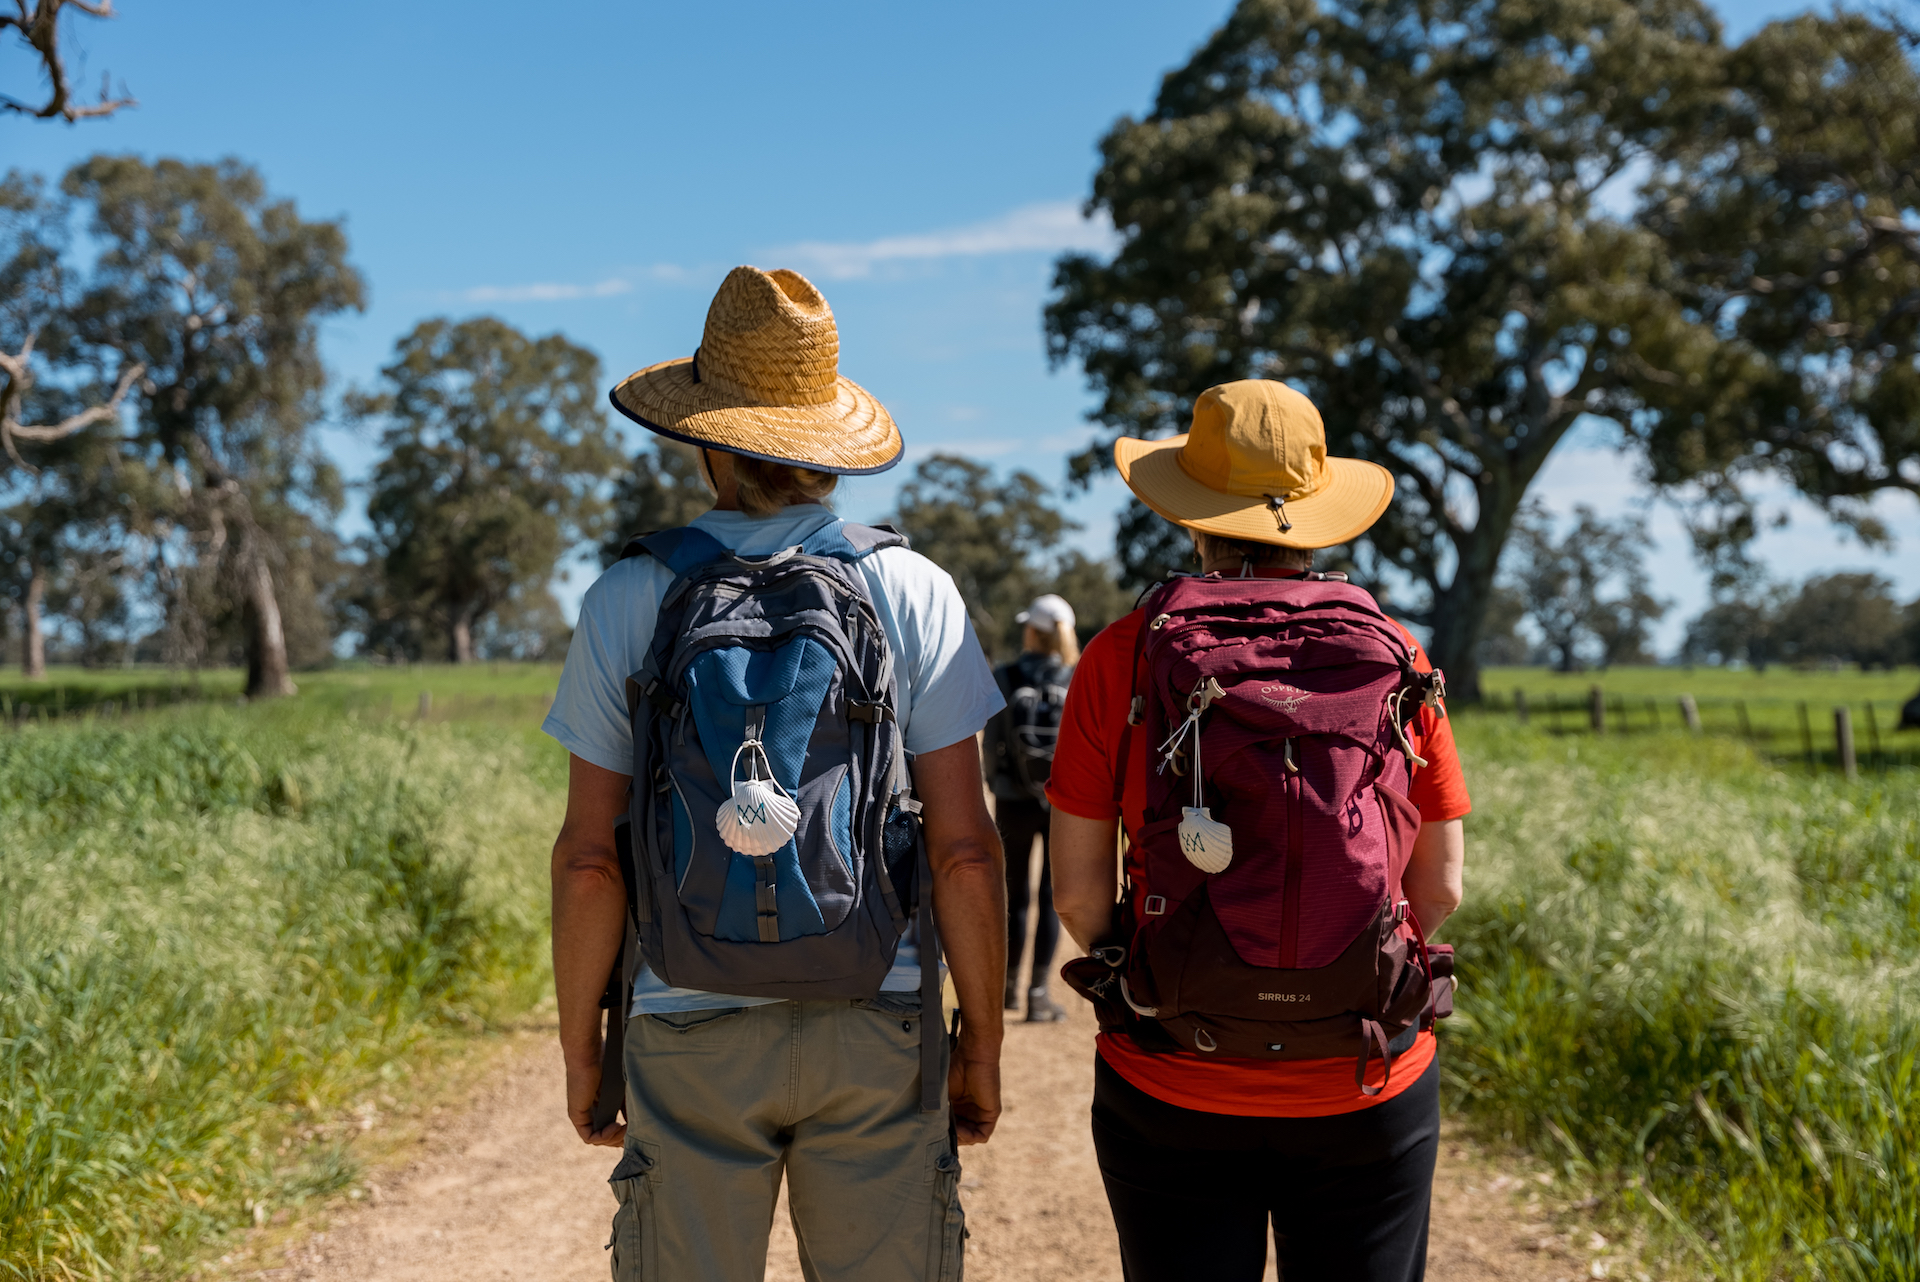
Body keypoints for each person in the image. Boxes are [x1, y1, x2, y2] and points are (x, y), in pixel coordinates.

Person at [544, 265, 1007, 1282]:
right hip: (874, 1012)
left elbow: (589, 858)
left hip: (683, 1012)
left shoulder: (632, 594)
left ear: (707, 436)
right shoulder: (912, 589)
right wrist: (980, 1041)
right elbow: (966, 847)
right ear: (826, 442)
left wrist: (588, 1052)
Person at [1047, 380, 1470, 1282]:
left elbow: (1081, 896)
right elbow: (1438, 890)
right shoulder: (1400, 653)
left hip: (1173, 1076)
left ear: (1192, 517)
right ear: (1318, 515)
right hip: (1364, 1075)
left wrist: (1172, 972)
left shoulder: (1122, 654)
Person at [982, 593, 1080, 1023]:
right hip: (1061, 800)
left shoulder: (1006, 674)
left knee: (1014, 896)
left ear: (1031, 631)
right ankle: (1039, 996)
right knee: (1050, 897)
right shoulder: (1077, 676)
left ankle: (1007, 991)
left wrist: (996, 784)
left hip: (1011, 798)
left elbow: (991, 740)